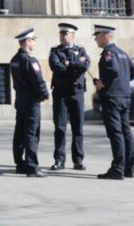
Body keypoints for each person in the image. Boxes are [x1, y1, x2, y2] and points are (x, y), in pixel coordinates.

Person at [93, 24, 134, 180]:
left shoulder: (109, 53)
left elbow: (113, 71)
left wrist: (102, 83)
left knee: (116, 133)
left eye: (97, 36)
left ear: (105, 36)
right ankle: (129, 168)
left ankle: (117, 169)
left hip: (112, 98)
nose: (95, 39)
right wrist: (122, 83)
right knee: (126, 132)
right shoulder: (122, 53)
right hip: (124, 97)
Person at [48, 22, 90, 171]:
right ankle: (59, 160)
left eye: (65, 34)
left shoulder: (81, 50)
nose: (62, 36)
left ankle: (78, 160)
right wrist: (75, 65)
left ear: (72, 35)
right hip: (61, 93)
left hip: (77, 92)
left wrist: (68, 64)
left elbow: (85, 66)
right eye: (61, 33)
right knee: (60, 127)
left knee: (78, 128)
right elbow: (56, 67)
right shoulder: (55, 51)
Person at [9, 27, 49, 177]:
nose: (34, 43)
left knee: (19, 132)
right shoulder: (30, 60)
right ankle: (32, 167)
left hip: (21, 100)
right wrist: (45, 94)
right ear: (27, 41)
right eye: (33, 40)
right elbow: (38, 80)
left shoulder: (14, 60)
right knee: (32, 133)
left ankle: (20, 164)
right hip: (32, 102)